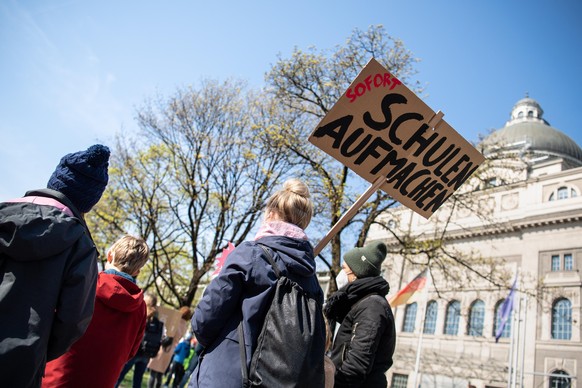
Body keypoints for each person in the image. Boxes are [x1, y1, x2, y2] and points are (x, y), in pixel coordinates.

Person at [189, 178, 325, 387]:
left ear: (270, 214)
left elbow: (206, 317)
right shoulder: (311, 279)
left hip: (228, 372)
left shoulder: (251, 254)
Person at [0, 144, 110, 387]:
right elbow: (73, 321)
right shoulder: (81, 246)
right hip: (20, 364)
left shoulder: (3, 214)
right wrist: (38, 350)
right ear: (89, 202)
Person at [42, 235, 150, 388]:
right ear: (138, 271)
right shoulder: (140, 308)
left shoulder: (84, 282)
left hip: (58, 376)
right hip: (103, 380)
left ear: (110, 255)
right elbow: (131, 351)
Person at [323, 241, 396, 388]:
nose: (340, 273)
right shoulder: (360, 304)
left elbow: (357, 364)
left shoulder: (372, 306)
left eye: (344, 268)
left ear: (356, 273)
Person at [116, 292, 164, 388]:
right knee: (138, 380)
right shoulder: (158, 322)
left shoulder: (141, 315)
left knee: (119, 377)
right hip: (147, 354)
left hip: (134, 352)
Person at [148, 306, 193, 388]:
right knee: (160, 374)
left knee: (153, 372)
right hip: (171, 350)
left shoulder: (175, 321)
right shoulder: (185, 327)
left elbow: (167, 331)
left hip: (163, 347)